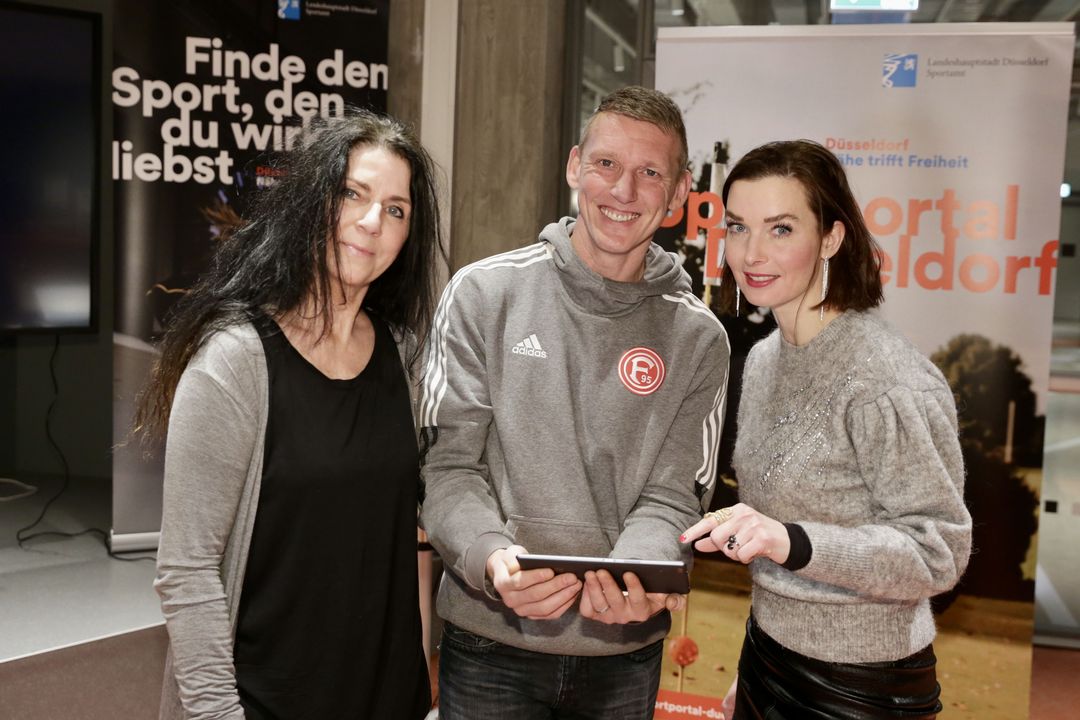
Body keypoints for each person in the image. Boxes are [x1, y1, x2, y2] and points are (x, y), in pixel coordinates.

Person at [418, 85, 731, 719]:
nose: (623, 191)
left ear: (677, 198)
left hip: (624, 654)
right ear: (574, 168)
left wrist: (637, 575)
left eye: (650, 174)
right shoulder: (483, 294)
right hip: (488, 641)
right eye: (606, 164)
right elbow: (446, 466)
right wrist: (489, 556)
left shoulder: (701, 338)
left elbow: (676, 496)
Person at [137, 109, 445, 720]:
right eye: (352, 194)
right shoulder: (234, 361)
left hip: (384, 696)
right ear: (312, 201)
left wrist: (422, 661)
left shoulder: (404, 357)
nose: (369, 222)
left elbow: (411, 530)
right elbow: (187, 568)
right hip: (262, 701)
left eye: (395, 209)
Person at [680, 139, 972, 719]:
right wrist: (757, 668)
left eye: (781, 229)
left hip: (864, 689)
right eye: (738, 227)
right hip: (767, 658)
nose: (752, 252)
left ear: (832, 238)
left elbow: (938, 552)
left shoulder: (886, 379)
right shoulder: (764, 361)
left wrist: (789, 540)